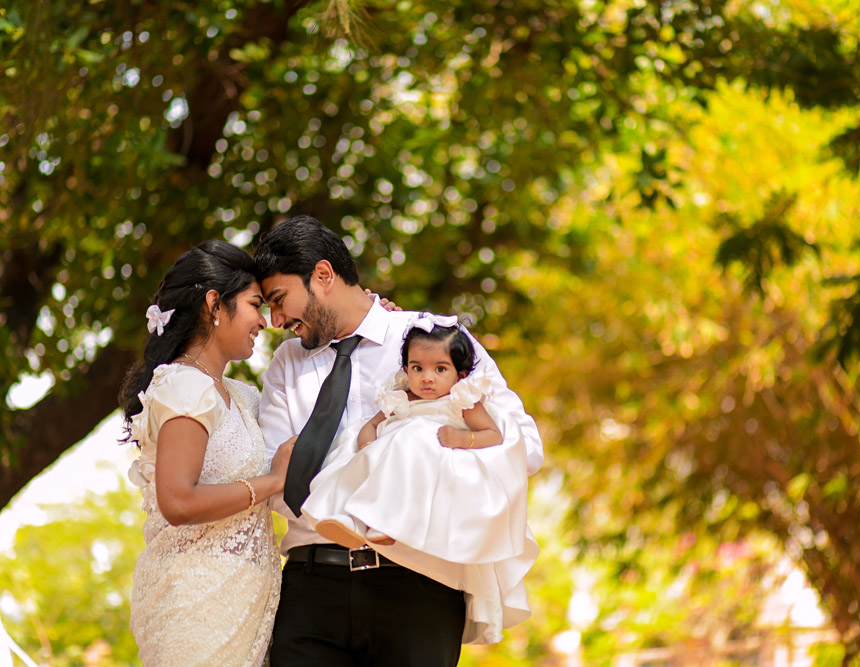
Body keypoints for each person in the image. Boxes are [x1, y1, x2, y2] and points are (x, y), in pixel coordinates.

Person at [254, 215, 544, 666]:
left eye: (279, 299)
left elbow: (522, 447)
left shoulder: (436, 341)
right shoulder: (285, 366)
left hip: (419, 586)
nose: (274, 320)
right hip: (312, 589)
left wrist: (425, 451)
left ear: (324, 276)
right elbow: (282, 487)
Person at [300, 314, 537, 645]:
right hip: (394, 459)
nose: (427, 378)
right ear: (406, 370)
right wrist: (368, 443)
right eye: (417, 368)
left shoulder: (461, 402)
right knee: (356, 449)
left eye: (440, 369)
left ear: (460, 374)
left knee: (411, 443)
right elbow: (371, 424)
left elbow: (493, 435)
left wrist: (462, 438)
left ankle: (384, 523)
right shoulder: (401, 399)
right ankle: (347, 520)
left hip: (433, 463)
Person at [119, 240, 297, 666]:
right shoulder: (185, 386)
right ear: (214, 305)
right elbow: (178, 501)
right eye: (255, 304)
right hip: (195, 606)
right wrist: (272, 482)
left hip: (247, 605)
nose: (265, 321)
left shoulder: (241, 395)